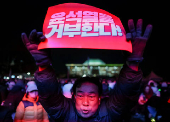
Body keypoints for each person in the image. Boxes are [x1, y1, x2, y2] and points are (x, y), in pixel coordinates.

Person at [21, 19, 153, 121]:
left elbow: (125, 96)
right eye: (80, 95)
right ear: (73, 96)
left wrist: (133, 63)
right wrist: (43, 66)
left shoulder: (109, 112)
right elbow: (50, 97)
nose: (85, 103)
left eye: (91, 96)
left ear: (100, 98)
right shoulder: (64, 111)